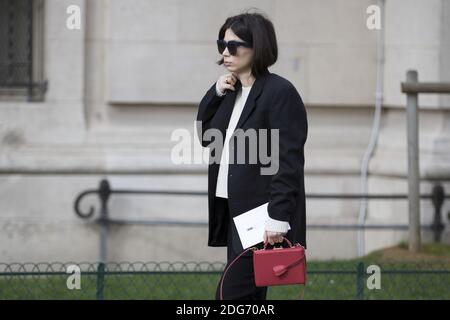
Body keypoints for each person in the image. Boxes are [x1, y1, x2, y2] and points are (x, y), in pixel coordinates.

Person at [196, 11, 308, 300]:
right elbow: (207, 136)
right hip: (234, 212)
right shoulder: (232, 91)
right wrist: (215, 93)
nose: (225, 52)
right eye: (222, 43)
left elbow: (289, 160)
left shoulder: (279, 92)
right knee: (248, 298)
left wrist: (278, 217)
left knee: (230, 295)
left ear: (257, 47)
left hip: (262, 219)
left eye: (234, 45)